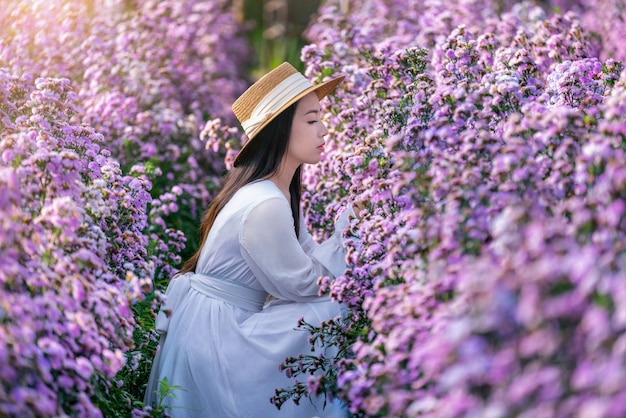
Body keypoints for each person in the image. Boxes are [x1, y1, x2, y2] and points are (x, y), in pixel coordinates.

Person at [144, 62, 352, 417]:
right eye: (312, 119)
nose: (324, 129)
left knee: (334, 305)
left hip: (216, 322)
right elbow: (303, 283)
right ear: (281, 130)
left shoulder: (270, 192)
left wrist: (344, 240)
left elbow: (307, 259)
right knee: (332, 310)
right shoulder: (265, 203)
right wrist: (351, 234)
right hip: (219, 336)